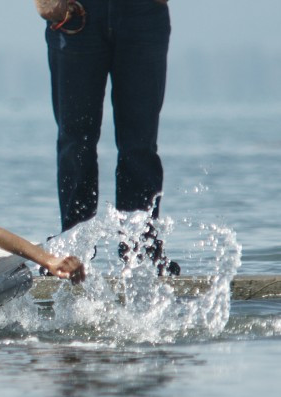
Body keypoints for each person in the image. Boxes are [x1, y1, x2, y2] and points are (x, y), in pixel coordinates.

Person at [36, 0, 179, 275]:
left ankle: (141, 248)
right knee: (75, 143)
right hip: (74, 11)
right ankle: (73, 248)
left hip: (143, 12)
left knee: (139, 145)